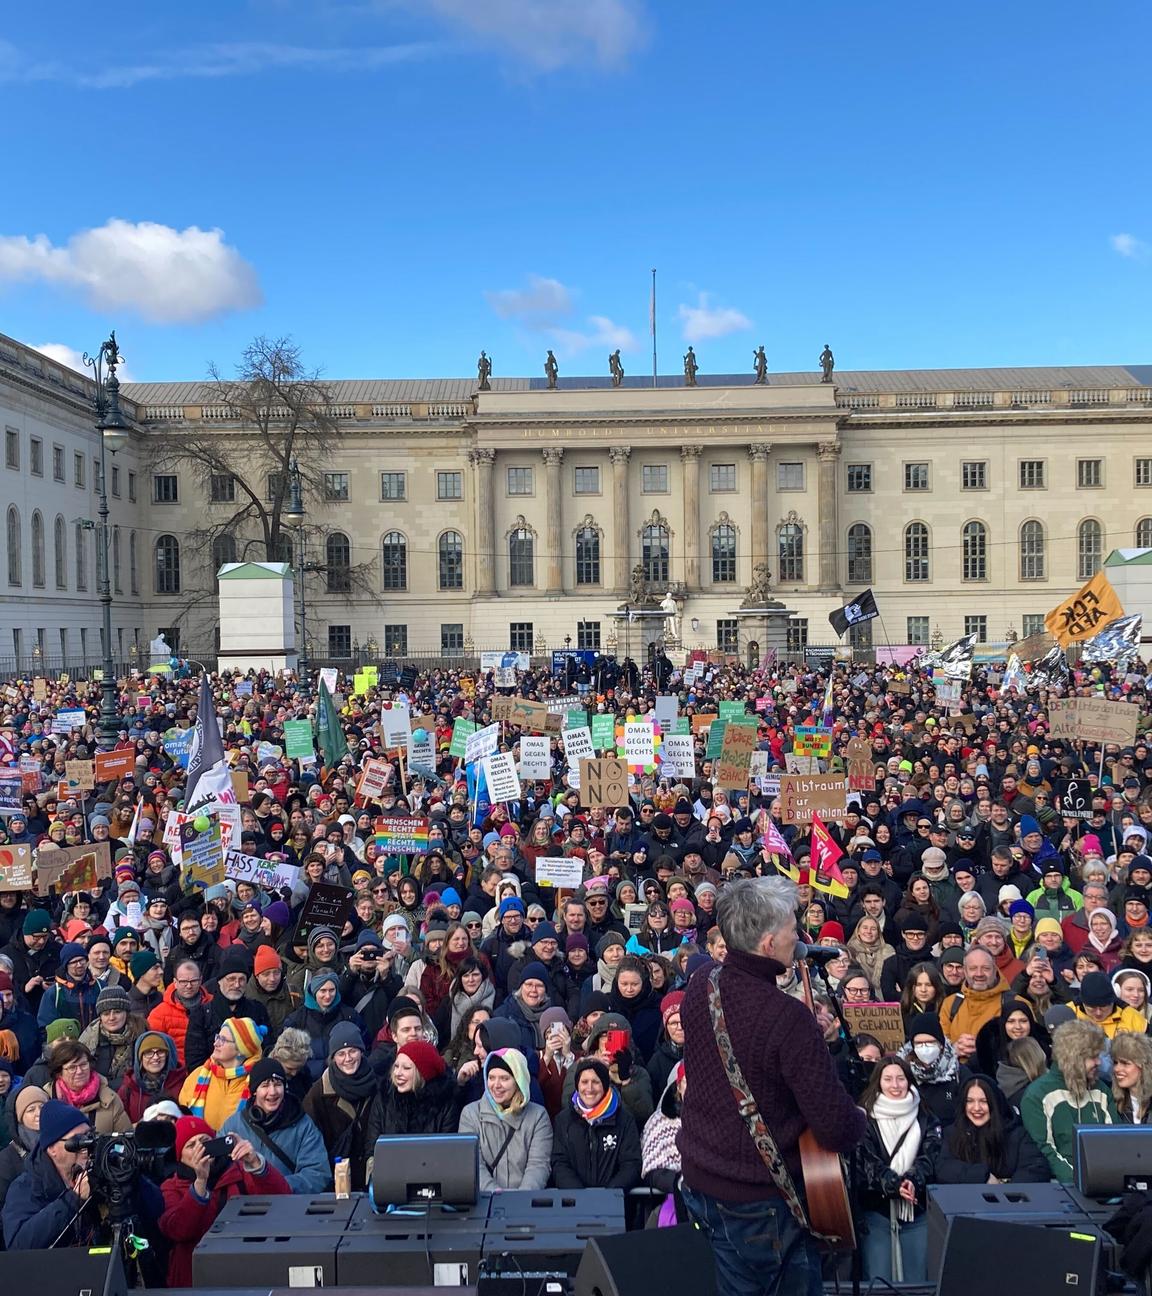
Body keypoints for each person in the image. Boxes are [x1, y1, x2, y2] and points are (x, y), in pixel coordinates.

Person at [679, 876, 867, 1296]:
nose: (798, 935)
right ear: (768, 944)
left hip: (701, 1181)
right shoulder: (787, 1019)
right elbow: (836, 1128)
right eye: (791, 927)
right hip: (760, 1205)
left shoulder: (702, 984)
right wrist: (858, 1118)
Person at [3, 1099, 162, 1250]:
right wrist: (74, 1199)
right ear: (52, 1149)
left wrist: (130, 1178)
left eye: (89, 1136)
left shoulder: (104, 1170)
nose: (86, 1147)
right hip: (57, 1272)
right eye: (77, 1141)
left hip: (108, 1266)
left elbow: (158, 1209)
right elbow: (19, 1244)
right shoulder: (26, 1186)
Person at [159, 1114, 291, 1287]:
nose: (201, 1148)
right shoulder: (171, 1187)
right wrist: (200, 1183)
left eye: (205, 1140)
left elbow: (282, 1200)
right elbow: (178, 1230)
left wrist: (256, 1163)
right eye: (191, 1145)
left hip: (243, 1270)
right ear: (180, 1157)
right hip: (194, 1277)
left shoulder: (239, 1171)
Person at [857, 1055, 940, 1284]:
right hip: (877, 1212)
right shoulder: (863, 1119)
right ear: (878, 1082)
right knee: (878, 1279)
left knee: (917, 1281)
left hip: (917, 1211)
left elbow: (930, 1156)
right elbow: (867, 1160)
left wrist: (913, 1180)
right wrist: (894, 1184)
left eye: (900, 1079)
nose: (895, 1085)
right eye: (888, 1079)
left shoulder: (926, 1117)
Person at [1020, 1019, 1119, 1182]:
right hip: (1061, 1187)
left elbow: (1115, 1138)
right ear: (1073, 1059)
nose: (1098, 1062)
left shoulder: (1101, 1090)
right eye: (1092, 1057)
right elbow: (1045, 1149)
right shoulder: (1038, 1095)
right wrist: (1078, 1180)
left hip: (1106, 1183)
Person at [221, 1057, 332, 1192]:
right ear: (254, 1091)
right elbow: (219, 1173)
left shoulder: (303, 1126)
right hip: (244, 1207)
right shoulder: (233, 1125)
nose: (273, 1092)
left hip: (286, 1207)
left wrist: (275, 1184)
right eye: (265, 1085)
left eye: (278, 1084)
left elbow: (317, 1175)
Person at [457, 1048, 553, 1191]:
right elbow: (472, 1164)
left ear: (518, 1080)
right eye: (491, 1077)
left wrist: (521, 1200)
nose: (496, 1085)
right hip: (486, 1202)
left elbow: (538, 1165)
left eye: (504, 1078)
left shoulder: (538, 1116)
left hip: (525, 1203)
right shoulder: (471, 1114)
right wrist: (495, 1196)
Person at [303, 1021, 380, 1191]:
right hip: (337, 1182)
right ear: (333, 1058)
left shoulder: (378, 1084)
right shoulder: (318, 1093)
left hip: (374, 1179)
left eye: (353, 1051)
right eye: (341, 1054)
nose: (348, 1058)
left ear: (361, 1051)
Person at [936, 1075, 1050, 1183]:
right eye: (969, 1101)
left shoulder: (1017, 1134)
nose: (976, 1108)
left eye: (983, 1101)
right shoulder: (952, 1134)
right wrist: (982, 1176)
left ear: (994, 1103)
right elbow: (943, 1168)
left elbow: (1036, 1168)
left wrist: (1008, 1193)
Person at [552, 1056, 643, 1190]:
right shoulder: (564, 1120)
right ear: (577, 1085)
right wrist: (577, 1194)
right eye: (584, 1082)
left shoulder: (624, 1119)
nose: (589, 1088)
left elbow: (631, 1163)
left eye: (595, 1082)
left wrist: (608, 1194)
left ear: (605, 1085)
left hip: (614, 1202)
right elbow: (559, 1163)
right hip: (574, 1203)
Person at [179, 1016, 265, 1131]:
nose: (216, 1043)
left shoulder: (258, 1081)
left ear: (241, 1050)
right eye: (217, 1037)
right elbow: (182, 1119)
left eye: (223, 1040)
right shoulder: (198, 1075)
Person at [45, 1039, 132, 1134]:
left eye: (83, 1065)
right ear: (59, 1073)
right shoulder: (45, 1099)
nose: (79, 1071)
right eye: (72, 1068)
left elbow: (126, 1139)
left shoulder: (110, 1099)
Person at [118, 1031, 186, 1122]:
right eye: (148, 1052)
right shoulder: (128, 1088)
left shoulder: (183, 1084)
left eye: (160, 1052)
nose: (155, 1057)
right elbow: (120, 1124)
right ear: (140, 1057)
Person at [1111, 1031, 1152, 1123]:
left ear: (1145, 1066)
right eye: (1115, 1063)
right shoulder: (1111, 1102)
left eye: (1125, 1063)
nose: (1117, 1069)